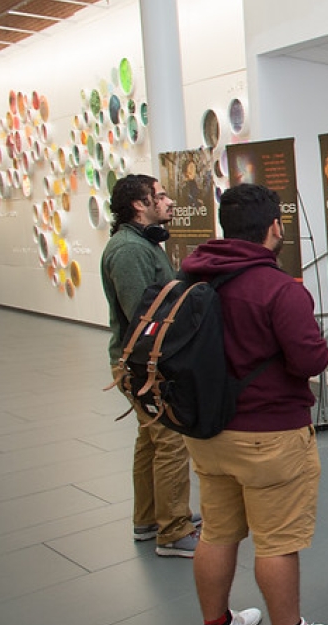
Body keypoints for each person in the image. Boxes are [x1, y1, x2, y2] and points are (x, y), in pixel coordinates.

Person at [178, 184, 328, 625]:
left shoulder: (192, 279)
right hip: (270, 437)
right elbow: (310, 360)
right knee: (277, 541)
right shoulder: (278, 289)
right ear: (274, 226)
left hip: (207, 431)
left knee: (216, 531)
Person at [102, 174, 201, 556]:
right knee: (171, 439)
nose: (169, 201)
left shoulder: (141, 243)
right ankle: (174, 531)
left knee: (150, 440)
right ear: (140, 205)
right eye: (160, 196)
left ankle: (148, 519)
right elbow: (145, 320)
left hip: (144, 365)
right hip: (145, 367)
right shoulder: (129, 252)